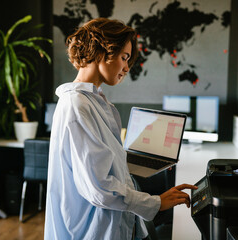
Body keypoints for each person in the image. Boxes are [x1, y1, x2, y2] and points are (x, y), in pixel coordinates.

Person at [44, 18, 197, 240]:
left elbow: (102, 166)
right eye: (124, 58)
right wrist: (156, 202)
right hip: (96, 231)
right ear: (101, 51)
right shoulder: (77, 106)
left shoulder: (94, 101)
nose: (126, 67)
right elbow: (99, 188)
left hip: (117, 223)